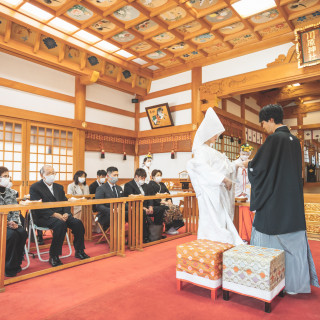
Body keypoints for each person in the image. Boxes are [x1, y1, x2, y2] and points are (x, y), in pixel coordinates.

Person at [244, 104, 319, 294]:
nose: (263, 127)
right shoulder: (294, 140)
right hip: (291, 201)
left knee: (270, 241)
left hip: (274, 203)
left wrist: (248, 164)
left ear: (270, 120)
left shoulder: (275, 139)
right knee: (293, 244)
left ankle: (273, 284)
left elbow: (259, 169)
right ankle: (295, 285)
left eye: (263, 123)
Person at [187, 107, 243, 245]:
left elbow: (225, 167)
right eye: (214, 133)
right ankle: (214, 244)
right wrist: (223, 179)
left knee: (221, 219)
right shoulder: (201, 150)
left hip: (218, 189)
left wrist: (239, 164)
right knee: (213, 220)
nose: (216, 136)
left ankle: (221, 245)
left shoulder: (212, 151)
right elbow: (201, 167)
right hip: (210, 191)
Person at [29, 165, 90, 267]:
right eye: (49, 173)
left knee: (77, 223)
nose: (52, 175)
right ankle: (54, 256)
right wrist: (54, 214)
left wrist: (67, 213)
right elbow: (37, 207)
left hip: (62, 215)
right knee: (60, 225)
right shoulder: (35, 187)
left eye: (53, 173)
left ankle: (79, 250)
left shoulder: (59, 187)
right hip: (44, 216)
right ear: (42, 175)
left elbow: (65, 203)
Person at [124, 168, 165, 243]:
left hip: (147, 207)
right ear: (136, 176)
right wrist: (142, 207)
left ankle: (156, 234)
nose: (143, 179)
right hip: (136, 207)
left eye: (144, 178)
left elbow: (150, 198)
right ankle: (144, 236)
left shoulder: (146, 186)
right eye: (141, 178)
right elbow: (128, 201)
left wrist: (150, 206)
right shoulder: (129, 185)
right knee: (142, 212)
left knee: (160, 209)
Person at [0, 167, 28, 277]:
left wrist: (14, 222)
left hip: (11, 223)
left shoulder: (11, 192)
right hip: (2, 224)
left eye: (8, 176)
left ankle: (17, 263)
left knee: (22, 232)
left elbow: (15, 210)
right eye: (5, 176)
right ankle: (8, 266)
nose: (8, 178)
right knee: (11, 235)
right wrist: (6, 223)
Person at [148, 169, 184, 235]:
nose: (159, 177)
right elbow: (152, 196)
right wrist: (163, 202)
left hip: (165, 201)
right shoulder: (150, 184)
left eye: (160, 175)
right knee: (167, 208)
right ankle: (168, 227)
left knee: (174, 207)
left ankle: (174, 226)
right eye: (157, 175)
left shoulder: (162, 184)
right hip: (157, 203)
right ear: (153, 177)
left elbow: (168, 193)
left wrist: (169, 200)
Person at [95, 166, 127, 231]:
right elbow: (99, 206)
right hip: (105, 214)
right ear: (107, 176)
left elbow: (123, 201)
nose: (116, 177)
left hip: (119, 211)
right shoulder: (101, 188)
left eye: (117, 175)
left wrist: (131, 207)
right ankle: (118, 239)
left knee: (134, 212)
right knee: (119, 215)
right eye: (114, 175)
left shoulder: (119, 188)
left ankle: (133, 237)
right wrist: (112, 210)